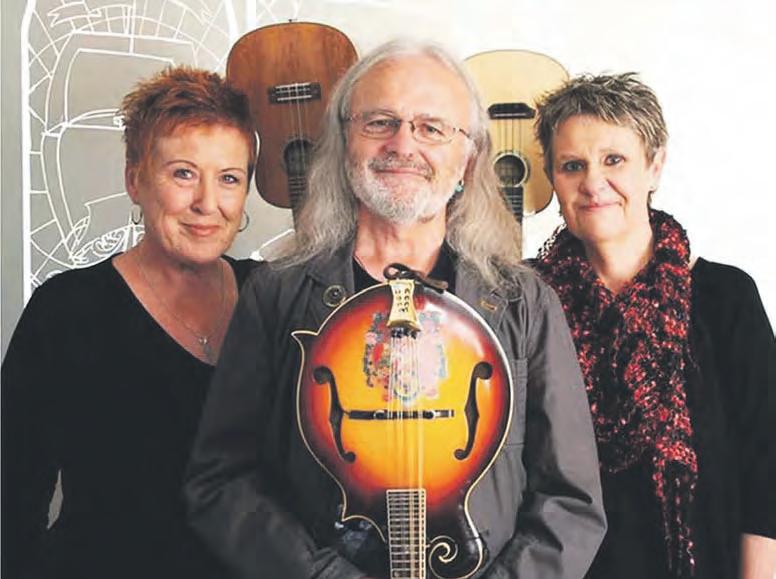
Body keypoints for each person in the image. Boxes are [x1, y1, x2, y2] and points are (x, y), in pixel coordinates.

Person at [184, 39, 606, 579]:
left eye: (431, 127)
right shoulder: (276, 294)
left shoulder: (525, 300)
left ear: (468, 158)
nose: (403, 144)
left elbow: (571, 502)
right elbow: (222, 482)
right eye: (380, 122)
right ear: (345, 142)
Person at [1, 66, 258, 579]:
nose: (207, 204)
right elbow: (10, 501)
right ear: (134, 179)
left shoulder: (271, 298)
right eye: (183, 174)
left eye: (229, 178)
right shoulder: (67, 310)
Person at [532, 73, 776, 579]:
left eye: (613, 160)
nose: (593, 183)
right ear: (552, 179)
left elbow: (767, 467)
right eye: (572, 165)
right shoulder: (528, 301)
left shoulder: (724, 297)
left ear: (655, 166)